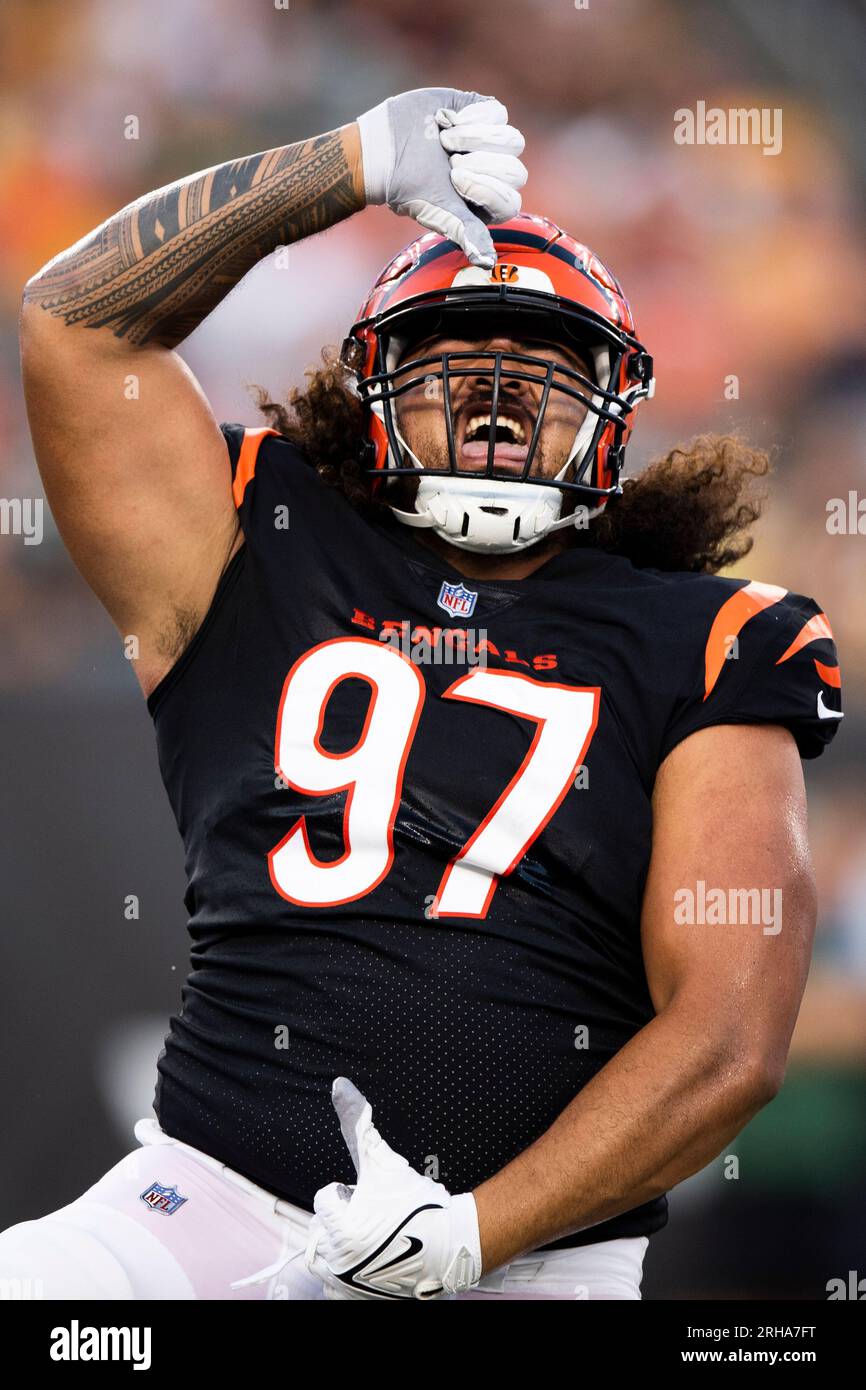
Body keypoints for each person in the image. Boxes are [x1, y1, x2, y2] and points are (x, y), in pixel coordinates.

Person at [2, 88, 842, 1300]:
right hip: (210, 1194)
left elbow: (728, 1041)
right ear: (373, 388)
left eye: (544, 371)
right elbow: (73, 321)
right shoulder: (262, 536)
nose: (499, 398)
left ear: (613, 412)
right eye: (457, 360)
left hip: (537, 1253)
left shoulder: (705, 636)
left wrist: (465, 1235)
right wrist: (344, 164)